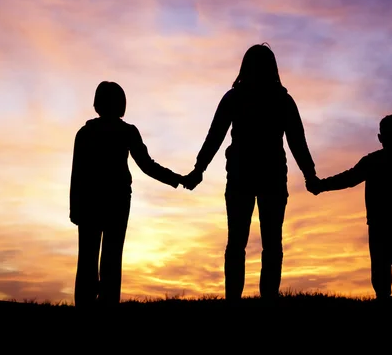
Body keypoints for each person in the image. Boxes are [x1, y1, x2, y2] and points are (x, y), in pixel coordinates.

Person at [182, 43, 319, 302]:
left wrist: (198, 170)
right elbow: (297, 141)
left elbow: (215, 136)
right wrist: (309, 175)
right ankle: (263, 297)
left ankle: (238, 299)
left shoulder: (241, 98)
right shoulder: (279, 99)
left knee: (241, 242)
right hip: (265, 176)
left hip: (248, 176)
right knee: (267, 243)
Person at [69, 81, 183, 308]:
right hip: (116, 200)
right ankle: (106, 304)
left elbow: (77, 173)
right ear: (121, 104)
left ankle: (87, 305)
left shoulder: (86, 133)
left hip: (96, 200)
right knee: (110, 255)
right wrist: (177, 179)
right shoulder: (124, 132)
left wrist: (75, 207)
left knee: (89, 256)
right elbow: (147, 166)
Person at [306, 114, 392, 303]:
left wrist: (320, 186)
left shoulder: (377, 161)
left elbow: (349, 178)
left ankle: (385, 299)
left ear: (380, 138)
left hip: (383, 224)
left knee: (382, 265)